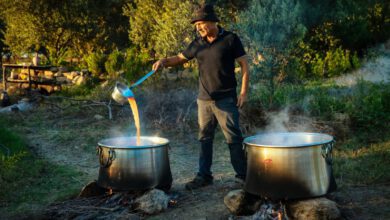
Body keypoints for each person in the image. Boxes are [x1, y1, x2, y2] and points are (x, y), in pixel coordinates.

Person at [152, 4, 249, 190]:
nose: (198, 28)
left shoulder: (230, 39)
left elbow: (244, 64)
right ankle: (204, 176)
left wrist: (243, 92)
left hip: (226, 99)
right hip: (204, 100)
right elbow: (179, 58)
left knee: (234, 139)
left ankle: (243, 176)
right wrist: (163, 62)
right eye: (196, 25)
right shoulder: (197, 43)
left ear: (213, 22)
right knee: (204, 138)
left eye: (201, 23)